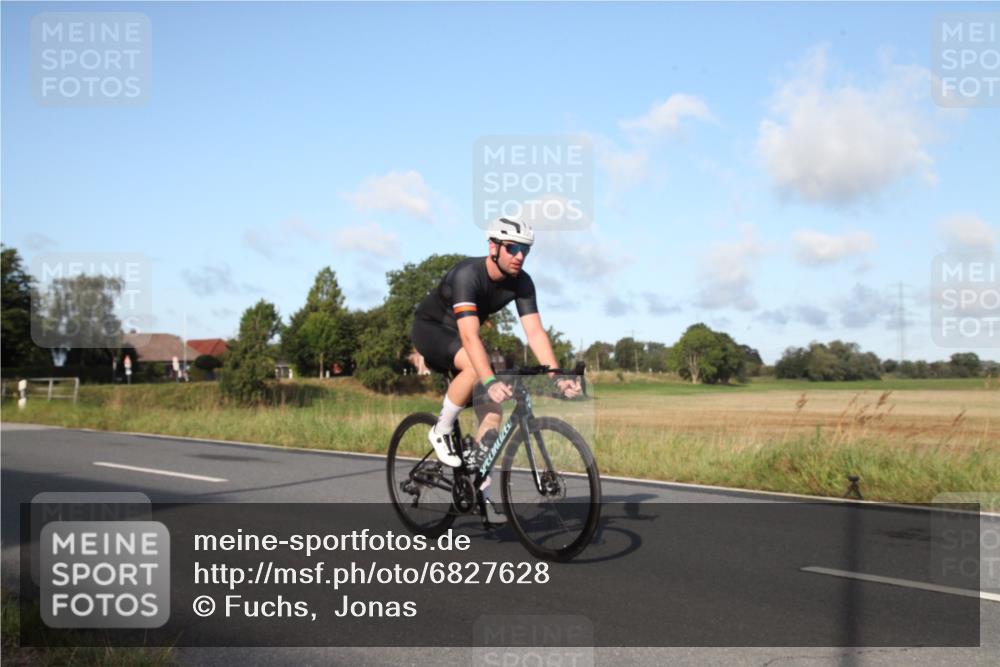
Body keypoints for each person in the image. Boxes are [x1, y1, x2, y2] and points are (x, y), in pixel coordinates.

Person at [411, 217, 581, 520]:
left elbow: (536, 334)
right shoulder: (468, 275)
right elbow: (469, 336)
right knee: (478, 371)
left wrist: (557, 377)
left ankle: (480, 492)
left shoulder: (523, 282)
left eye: (525, 250)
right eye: (512, 248)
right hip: (433, 330)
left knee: (492, 414)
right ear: (493, 247)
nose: (519, 256)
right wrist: (489, 379)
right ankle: (441, 428)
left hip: (465, 337)